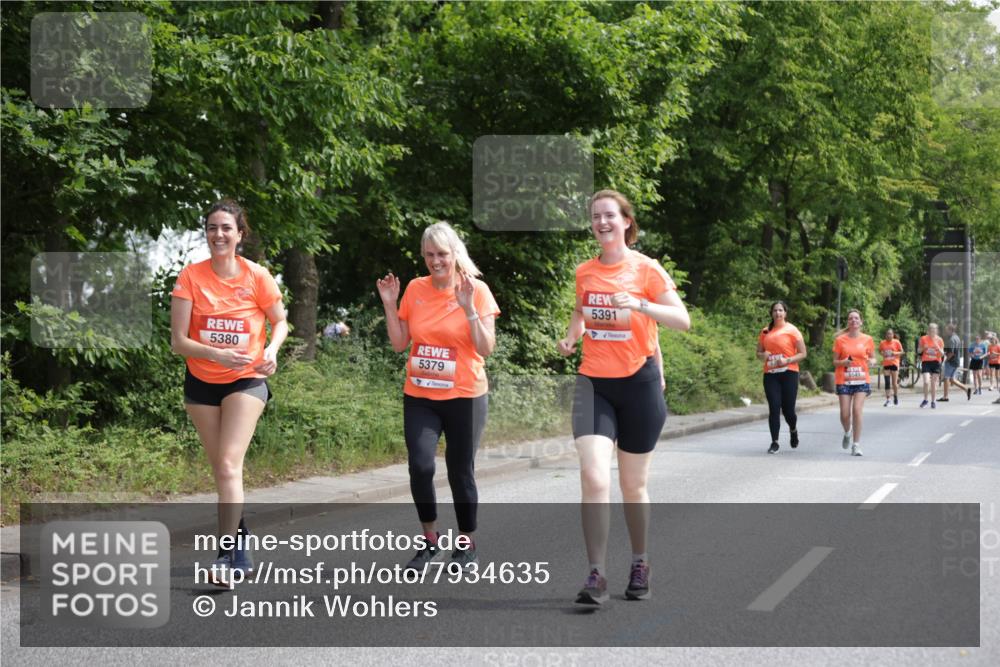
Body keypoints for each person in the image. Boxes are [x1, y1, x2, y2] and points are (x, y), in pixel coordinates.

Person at [557, 189, 690, 605]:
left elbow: (682, 320)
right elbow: (583, 311)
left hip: (639, 384)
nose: (602, 222)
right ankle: (596, 574)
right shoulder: (585, 272)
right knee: (595, 476)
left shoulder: (646, 269)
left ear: (626, 221)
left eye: (610, 215)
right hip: (594, 384)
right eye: (596, 216)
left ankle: (640, 562)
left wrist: (639, 304)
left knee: (633, 485)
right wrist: (571, 336)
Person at [170, 199, 287, 587]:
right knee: (223, 472)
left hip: (246, 380)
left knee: (227, 464)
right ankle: (240, 548)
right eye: (211, 228)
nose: (218, 235)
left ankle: (224, 559)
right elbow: (178, 342)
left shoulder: (257, 276)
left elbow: (280, 321)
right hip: (201, 381)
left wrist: (270, 349)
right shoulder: (190, 277)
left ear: (240, 234)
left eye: (225, 228)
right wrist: (216, 353)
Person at [376, 222, 499, 572]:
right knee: (421, 465)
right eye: (429, 255)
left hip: (465, 395)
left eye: (442, 254)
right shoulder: (415, 289)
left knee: (461, 471)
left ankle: (466, 543)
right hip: (421, 394)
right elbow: (400, 344)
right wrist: (389, 304)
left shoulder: (476, 290)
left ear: (455, 253)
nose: (436, 261)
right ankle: (429, 540)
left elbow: (486, 348)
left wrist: (468, 308)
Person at [755, 301, 807, 453]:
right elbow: (758, 353)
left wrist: (787, 360)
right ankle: (775, 442)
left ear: (785, 313)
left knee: (788, 410)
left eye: (780, 310)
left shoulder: (793, 330)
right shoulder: (765, 331)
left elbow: (803, 353)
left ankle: (793, 429)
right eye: (775, 310)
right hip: (771, 374)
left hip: (789, 373)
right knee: (774, 407)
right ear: (771, 313)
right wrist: (762, 355)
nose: (778, 313)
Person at [832, 309, 876, 456]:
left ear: (861, 322)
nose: (854, 321)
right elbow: (834, 361)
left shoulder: (867, 339)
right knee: (844, 414)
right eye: (851, 318)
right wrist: (843, 362)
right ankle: (847, 431)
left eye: (856, 318)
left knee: (857, 410)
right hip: (844, 379)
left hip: (861, 379)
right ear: (848, 322)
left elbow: (873, 358)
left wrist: (872, 361)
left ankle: (856, 445)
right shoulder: (840, 340)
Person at [941, 322, 972, 402]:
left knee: (946, 378)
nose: (946, 332)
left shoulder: (951, 339)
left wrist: (945, 359)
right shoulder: (957, 338)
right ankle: (966, 389)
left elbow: (951, 352)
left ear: (951, 330)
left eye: (947, 330)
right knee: (952, 379)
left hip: (951, 361)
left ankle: (945, 396)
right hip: (956, 361)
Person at [917, 323, 945, 408]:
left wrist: (938, 348)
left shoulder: (939, 340)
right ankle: (925, 399)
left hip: (936, 363)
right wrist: (923, 348)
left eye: (934, 330)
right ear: (928, 330)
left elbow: (942, 354)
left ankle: (933, 401)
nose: (932, 331)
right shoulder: (923, 338)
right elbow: (918, 351)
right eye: (931, 330)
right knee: (926, 381)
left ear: (936, 331)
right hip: (926, 362)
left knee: (933, 383)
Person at [879, 328, 904, 406]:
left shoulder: (896, 342)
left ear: (893, 335)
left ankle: (895, 396)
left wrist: (894, 353)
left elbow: (902, 352)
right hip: (886, 364)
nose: (889, 335)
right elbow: (880, 351)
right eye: (887, 334)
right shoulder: (882, 343)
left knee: (894, 383)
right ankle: (888, 399)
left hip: (894, 363)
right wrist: (883, 353)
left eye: (890, 334)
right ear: (885, 335)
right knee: (887, 382)